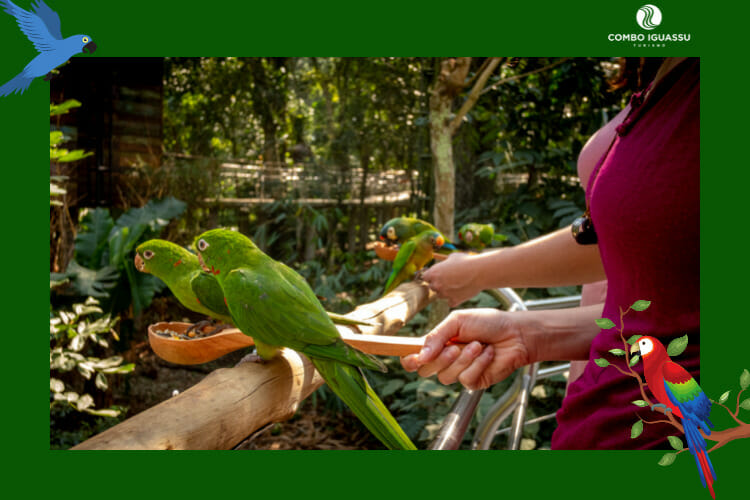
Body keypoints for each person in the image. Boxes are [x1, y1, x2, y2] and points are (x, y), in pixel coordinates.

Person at [400, 57, 699, 449]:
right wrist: (530, 332)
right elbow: (670, 292)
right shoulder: (659, 70)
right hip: (594, 415)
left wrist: (477, 271)